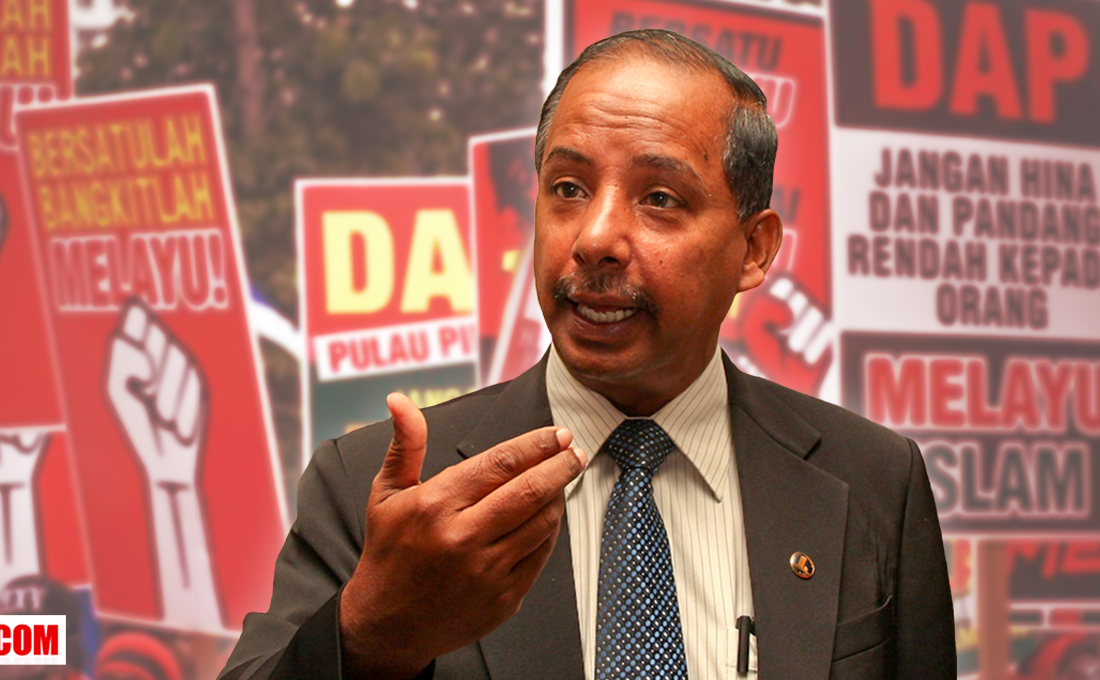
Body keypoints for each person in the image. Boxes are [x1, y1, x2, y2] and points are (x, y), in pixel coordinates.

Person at [221, 29, 955, 680]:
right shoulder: (381, 490)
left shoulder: (872, 481)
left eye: (660, 198)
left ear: (754, 249)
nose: (595, 237)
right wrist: (372, 634)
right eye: (568, 188)